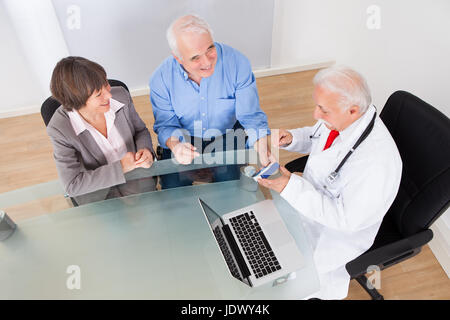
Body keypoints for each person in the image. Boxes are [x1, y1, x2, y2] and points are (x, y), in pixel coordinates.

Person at [258, 66, 402, 299]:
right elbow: (318, 135)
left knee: (280, 284)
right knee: (260, 239)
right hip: (309, 204)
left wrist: (289, 186)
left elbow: (345, 220)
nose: (316, 115)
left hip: (333, 234)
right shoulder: (344, 118)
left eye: (323, 110)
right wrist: (293, 137)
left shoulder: (377, 165)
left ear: (353, 110)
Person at [150, 14, 273, 189]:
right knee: (172, 191)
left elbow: (250, 116)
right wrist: (176, 146)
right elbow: (166, 125)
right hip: (184, 139)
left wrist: (261, 147)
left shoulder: (237, 63)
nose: (207, 62)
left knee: (230, 190)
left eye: (210, 49)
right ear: (178, 58)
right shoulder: (160, 79)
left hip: (226, 136)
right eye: (195, 57)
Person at [47, 56, 156, 205]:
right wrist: (121, 167)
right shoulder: (59, 129)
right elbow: (72, 184)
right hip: (98, 192)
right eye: (99, 94)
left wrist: (146, 150)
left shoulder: (121, 96)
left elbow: (140, 131)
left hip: (136, 177)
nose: (109, 95)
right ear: (77, 101)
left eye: (106, 84)